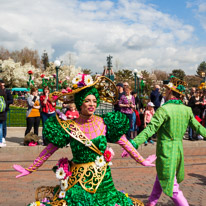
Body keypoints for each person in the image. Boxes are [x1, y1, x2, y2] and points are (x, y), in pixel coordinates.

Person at [13, 73, 156, 206]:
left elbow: (125, 143)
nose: (92, 104)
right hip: (77, 183)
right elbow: (48, 150)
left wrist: (142, 160)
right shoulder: (69, 127)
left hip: (103, 183)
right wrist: (30, 168)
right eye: (87, 101)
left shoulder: (105, 123)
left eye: (94, 101)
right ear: (80, 103)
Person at [132, 76, 206, 206]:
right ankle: (151, 203)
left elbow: (150, 129)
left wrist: (134, 143)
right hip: (177, 152)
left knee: (172, 187)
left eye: (166, 91)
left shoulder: (164, 109)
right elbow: (199, 127)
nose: (165, 94)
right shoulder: (186, 110)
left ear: (171, 93)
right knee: (161, 178)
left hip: (166, 152)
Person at [0, 80, 13, 144]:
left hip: (4, 109)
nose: (2, 86)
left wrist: (4, 103)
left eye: (3, 85)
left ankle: (3, 137)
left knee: (3, 124)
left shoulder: (6, 91)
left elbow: (11, 100)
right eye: (1, 85)